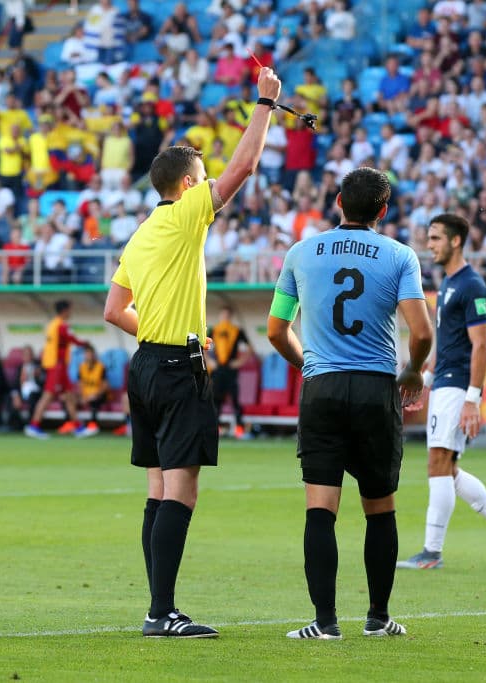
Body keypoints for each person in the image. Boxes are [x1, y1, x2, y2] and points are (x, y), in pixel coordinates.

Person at [102, 67, 282, 639]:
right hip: (178, 369)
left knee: (157, 490)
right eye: (200, 180)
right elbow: (244, 168)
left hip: (147, 364)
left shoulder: (140, 233)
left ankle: (158, 608)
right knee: (181, 489)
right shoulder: (185, 217)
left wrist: (158, 328)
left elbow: (113, 311)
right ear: (186, 186)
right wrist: (265, 104)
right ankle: (161, 612)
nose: (208, 188)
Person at [266, 167, 433, 640]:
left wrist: (309, 366)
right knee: (380, 508)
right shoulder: (401, 256)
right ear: (383, 210)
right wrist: (414, 370)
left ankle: (325, 623)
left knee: (321, 509)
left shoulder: (301, 253)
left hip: (323, 388)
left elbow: (276, 330)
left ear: (338, 201)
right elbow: (421, 333)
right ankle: (378, 619)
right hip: (377, 391)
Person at [397, 214, 486, 572]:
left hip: (458, 387)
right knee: (449, 469)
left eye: (437, 238)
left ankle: (431, 552)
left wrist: (472, 396)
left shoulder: (472, 284)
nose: (430, 244)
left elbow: (481, 345)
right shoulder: (449, 284)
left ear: (456, 241)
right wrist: (423, 380)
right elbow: (449, 342)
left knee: (437, 464)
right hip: (445, 382)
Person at [24, 300, 90, 439]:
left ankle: (78, 427)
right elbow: (72, 339)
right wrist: (85, 344)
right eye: (70, 310)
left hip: (58, 365)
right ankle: (34, 425)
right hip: (57, 366)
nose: (71, 313)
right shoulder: (61, 325)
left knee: (69, 395)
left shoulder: (53, 324)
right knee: (48, 396)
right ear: (65, 310)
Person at [207, 305, 252, 438]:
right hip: (218, 369)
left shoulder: (237, 331)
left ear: (230, 317)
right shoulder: (214, 330)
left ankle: (239, 430)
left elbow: (249, 348)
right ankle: (216, 429)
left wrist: (239, 362)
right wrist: (209, 362)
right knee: (216, 400)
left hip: (230, 370)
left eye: (227, 316)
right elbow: (203, 347)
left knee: (235, 400)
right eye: (223, 315)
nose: (225, 318)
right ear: (220, 316)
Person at [77, 344, 108, 436]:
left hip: (98, 394)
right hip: (86, 395)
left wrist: (95, 395)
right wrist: (83, 396)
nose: (88, 356)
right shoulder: (82, 367)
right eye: (86, 354)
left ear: (94, 355)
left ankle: (93, 425)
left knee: (94, 400)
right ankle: (75, 425)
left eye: (90, 354)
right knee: (67, 397)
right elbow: (79, 384)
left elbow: (105, 386)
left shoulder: (100, 367)